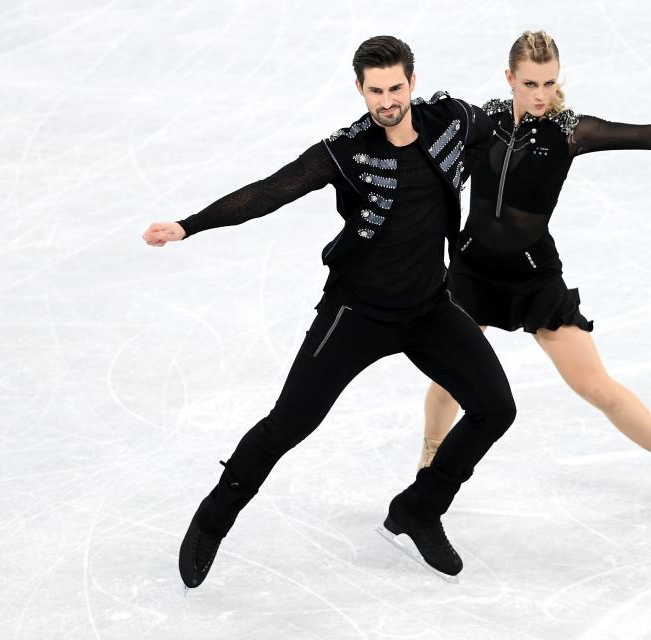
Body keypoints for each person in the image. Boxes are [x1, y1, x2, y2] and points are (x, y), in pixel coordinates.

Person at [142, 35, 516, 584]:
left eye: (395, 88)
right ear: (359, 89)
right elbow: (270, 192)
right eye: (375, 91)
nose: (386, 101)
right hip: (356, 313)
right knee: (288, 424)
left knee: (496, 408)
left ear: (412, 81)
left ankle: (418, 509)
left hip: (428, 309)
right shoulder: (347, 151)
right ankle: (215, 516)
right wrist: (188, 226)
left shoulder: (450, 120)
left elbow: (495, 125)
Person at [419, 30, 651, 513]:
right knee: (448, 376)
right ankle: (430, 463)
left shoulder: (568, 131)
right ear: (509, 78)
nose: (540, 94)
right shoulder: (485, 121)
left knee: (594, 385)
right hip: (471, 270)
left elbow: (647, 136)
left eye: (548, 83)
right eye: (530, 83)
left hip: (533, 276)